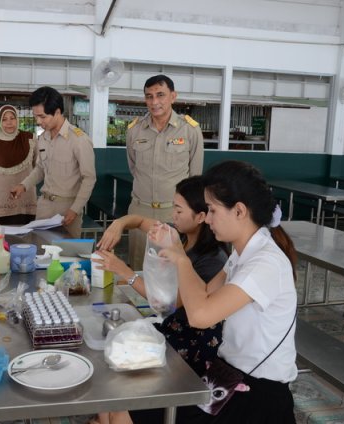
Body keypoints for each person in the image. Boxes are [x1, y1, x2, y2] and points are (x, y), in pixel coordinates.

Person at [128, 160, 298, 423]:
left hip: (258, 395)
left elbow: (200, 315)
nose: (207, 219)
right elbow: (205, 292)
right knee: (123, 403)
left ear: (239, 211)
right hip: (228, 376)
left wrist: (181, 260)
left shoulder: (265, 263)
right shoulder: (243, 253)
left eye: (212, 210)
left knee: (128, 411)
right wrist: (177, 250)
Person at [95, 176, 228, 377]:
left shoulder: (212, 259)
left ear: (201, 216)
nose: (173, 215)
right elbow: (139, 221)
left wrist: (123, 271)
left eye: (179, 210)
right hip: (167, 325)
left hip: (189, 342)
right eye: (173, 207)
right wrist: (119, 224)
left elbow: (168, 303)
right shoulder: (180, 235)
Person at [126, 74, 204, 270]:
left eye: (160, 95)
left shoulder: (190, 131)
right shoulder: (135, 130)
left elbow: (195, 176)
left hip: (174, 214)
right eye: (149, 96)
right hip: (140, 210)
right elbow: (134, 167)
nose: (154, 102)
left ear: (173, 96)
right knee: (138, 266)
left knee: (171, 269)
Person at [10, 86, 96, 238]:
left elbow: (89, 178)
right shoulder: (43, 138)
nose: (38, 121)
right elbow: (40, 169)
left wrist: (75, 209)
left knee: (66, 257)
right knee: (40, 252)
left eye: (42, 117)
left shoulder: (79, 140)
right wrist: (24, 185)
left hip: (67, 209)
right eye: (36, 116)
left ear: (57, 112)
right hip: (44, 206)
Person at [0, 105, 37, 225]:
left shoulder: (29, 139)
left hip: (26, 199)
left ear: (17, 119)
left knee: (27, 239)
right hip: (0, 201)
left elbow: (39, 167)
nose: (9, 123)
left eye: (12, 118)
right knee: (0, 238)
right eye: (4, 119)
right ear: (0, 121)